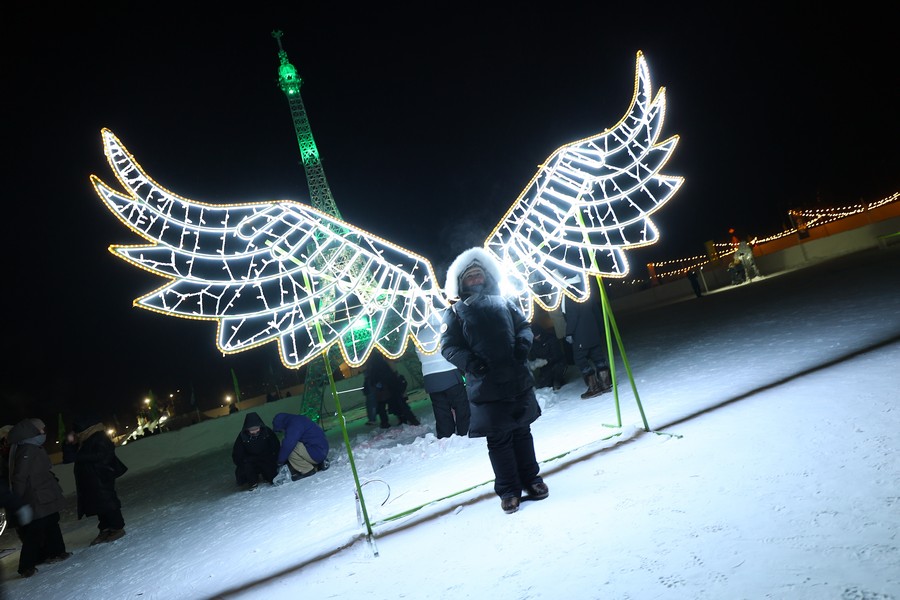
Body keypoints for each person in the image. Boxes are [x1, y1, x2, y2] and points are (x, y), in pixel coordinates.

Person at [440, 247, 548, 514]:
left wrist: (523, 346)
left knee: (523, 432)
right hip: (486, 385)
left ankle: (532, 480)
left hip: (516, 379)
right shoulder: (455, 312)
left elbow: (523, 326)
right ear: (461, 282)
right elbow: (448, 347)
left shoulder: (504, 301)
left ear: (486, 276)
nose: (475, 279)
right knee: (498, 440)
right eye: (470, 277)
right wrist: (472, 363)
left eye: (479, 274)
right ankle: (509, 490)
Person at [7, 418, 71, 577]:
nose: (44, 432)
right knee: (35, 531)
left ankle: (57, 552)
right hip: (37, 497)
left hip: (45, 494)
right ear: (31, 431)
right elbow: (20, 477)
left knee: (52, 522)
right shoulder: (27, 449)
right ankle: (25, 566)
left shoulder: (33, 446)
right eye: (41, 429)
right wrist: (16, 499)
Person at [73, 413, 128, 546]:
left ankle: (116, 526)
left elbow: (101, 455)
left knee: (107, 500)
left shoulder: (99, 437)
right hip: (91, 477)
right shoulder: (86, 439)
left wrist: (79, 457)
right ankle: (105, 528)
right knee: (98, 503)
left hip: (101, 475)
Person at [415, 309, 470, 438]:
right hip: (450, 374)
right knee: (461, 405)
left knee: (441, 410)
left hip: (430, 379)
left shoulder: (420, 335)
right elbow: (453, 351)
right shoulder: (444, 330)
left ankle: (445, 434)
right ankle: (465, 430)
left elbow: (419, 357)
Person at [563, 277, 612, 399]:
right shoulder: (586, 291)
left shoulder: (570, 294)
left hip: (580, 335)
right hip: (593, 331)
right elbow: (596, 310)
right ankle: (605, 383)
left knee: (580, 359)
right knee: (598, 356)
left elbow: (573, 316)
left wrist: (569, 333)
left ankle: (594, 387)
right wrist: (600, 328)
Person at [362, 353, 420, 428]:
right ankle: (409, 419)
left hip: (383, 390)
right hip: (391, 387)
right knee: (400, 404)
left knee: (383, 407)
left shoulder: (373, 368)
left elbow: (374, 379)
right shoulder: (384, 364)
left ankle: (386, 423)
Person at [272, 413, 330, 481]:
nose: (282, 431)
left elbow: (288, 445)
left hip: (317, 452)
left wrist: (280, 461)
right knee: (296, 444)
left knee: (290, 448)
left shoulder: (294, 425)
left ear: (281, 424)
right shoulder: (299, 419)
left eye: (280, 429)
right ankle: (319, 463)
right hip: (322, 449)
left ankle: (307, 470)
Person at [231, 412, 281, 490]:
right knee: (243, 477)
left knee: (272, 477)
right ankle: (252, 482)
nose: (254, 432)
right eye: (251, 430)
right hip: (251, 461)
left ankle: (266, 474)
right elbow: (237, 454)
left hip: (266, 458)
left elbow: (276, 446)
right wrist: (242, 464)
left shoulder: (267, 431)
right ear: (247, 429)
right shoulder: (242, 436)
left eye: (256, 429)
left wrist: (276, 460)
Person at [527, 322, 567, 391]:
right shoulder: (533, 343)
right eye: (534, 336)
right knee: (543, 384)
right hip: (545, 368)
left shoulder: (550, 338)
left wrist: (546, 361)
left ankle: (558, 380)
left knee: (558, 369)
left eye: (537, 335)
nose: (537, 337)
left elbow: (557, 355)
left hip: (556, 363)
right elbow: (533, 356)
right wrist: (535, 363)